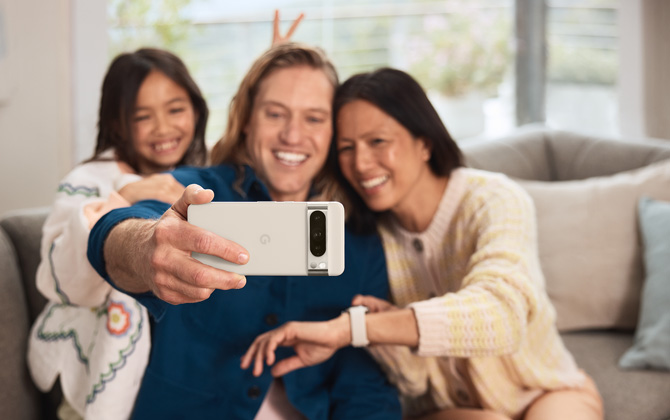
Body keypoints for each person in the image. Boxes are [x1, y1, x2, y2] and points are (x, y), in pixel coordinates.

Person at [241, 68, 605, 420]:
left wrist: (351, 329)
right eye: (347, 148)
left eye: (378, 142)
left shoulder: (494, 199)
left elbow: (503, 315)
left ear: (424, 142)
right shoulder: (368, 237)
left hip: (546, 391)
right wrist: (386, 333)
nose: (362, 163)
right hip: (451, 410)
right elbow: (414, 382)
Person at [86, 43, 401, 419]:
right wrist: (143, 248)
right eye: (275, 114)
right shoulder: (198, 193)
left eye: (314, 118)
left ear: (333, 131)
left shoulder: (360, 236)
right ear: (248, 118)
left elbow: (363, 379)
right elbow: (117, 229)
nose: (293, 135)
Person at [28, 48, 208, 420]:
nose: (163, 128)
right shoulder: (86, 182)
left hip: (175, 380)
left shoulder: (201, 177)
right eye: (143, 116)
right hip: (98, 376)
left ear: (196, 109)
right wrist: (123, 198)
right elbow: (57, 275)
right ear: (118, 123)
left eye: (175, 109)